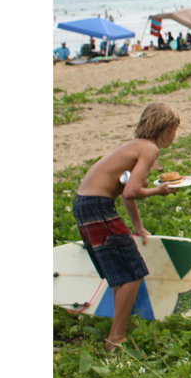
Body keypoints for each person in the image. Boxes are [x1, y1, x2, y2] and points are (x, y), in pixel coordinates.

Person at [72, 103, 182, 351]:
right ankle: (116, 338)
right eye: (174, 130)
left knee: (119, 273)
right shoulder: (150, 149)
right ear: (167, 128)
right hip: (98, 207)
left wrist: (138, 227)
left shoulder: (134, 147)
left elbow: (125, 194)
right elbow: (132, 191)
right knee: (133, 272)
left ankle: (117, 330)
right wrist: (159, 190)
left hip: (84, 205)